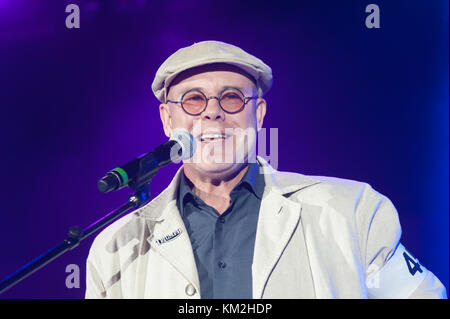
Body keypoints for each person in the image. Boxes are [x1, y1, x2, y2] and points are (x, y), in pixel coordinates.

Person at [85, 40, 446, 299]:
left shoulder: (351, 211)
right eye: (194, 99)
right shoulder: (117, 246)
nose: (213, 112)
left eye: (231, 97)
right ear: (167, 119)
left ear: (257, 114)